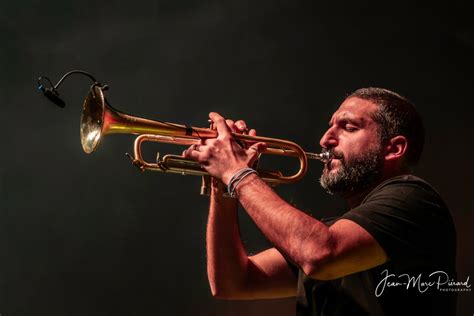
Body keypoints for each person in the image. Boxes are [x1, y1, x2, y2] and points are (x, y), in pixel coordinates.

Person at [183, 87, 457, 315]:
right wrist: (222, 187)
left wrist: (237, 173)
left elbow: (319, 255)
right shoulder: (334, 232)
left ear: (394, 148)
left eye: (348, 127)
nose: (325, 140)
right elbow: (233, 283)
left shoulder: (415, 199)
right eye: (329, 128)